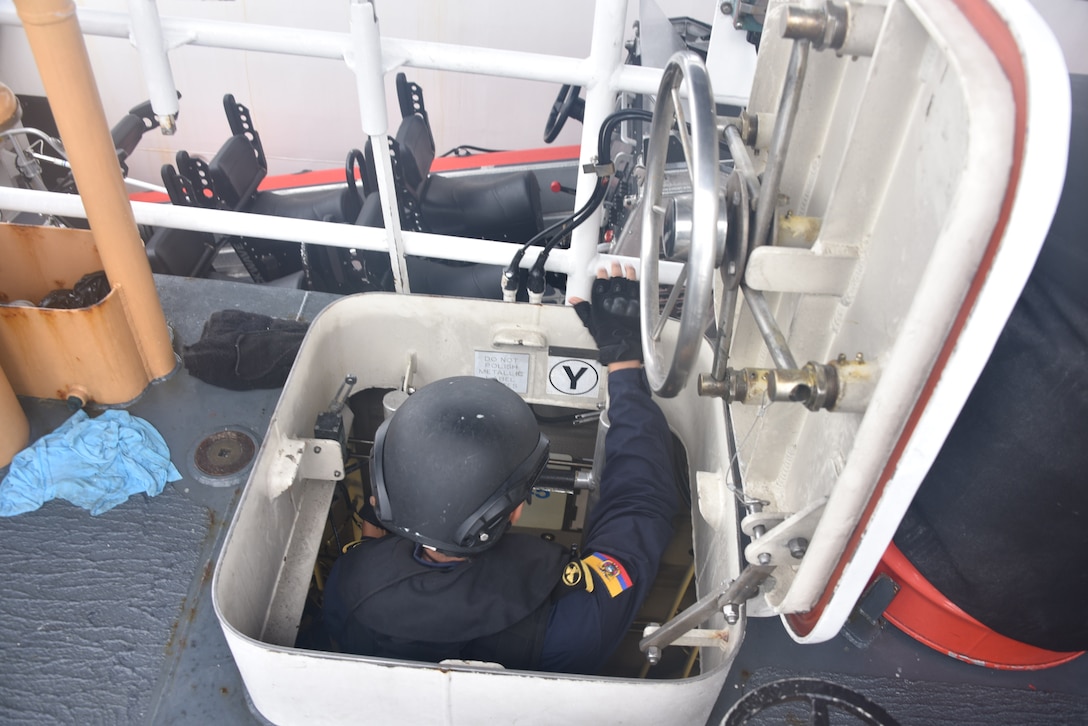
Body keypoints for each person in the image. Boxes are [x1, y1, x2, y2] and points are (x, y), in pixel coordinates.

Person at [321, 262, 679, 674]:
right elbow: (641, 505)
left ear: (385, 496)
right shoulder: (576, 624)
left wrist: (373, 552)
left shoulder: (347, 584)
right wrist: (624, 365)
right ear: (516, 511)